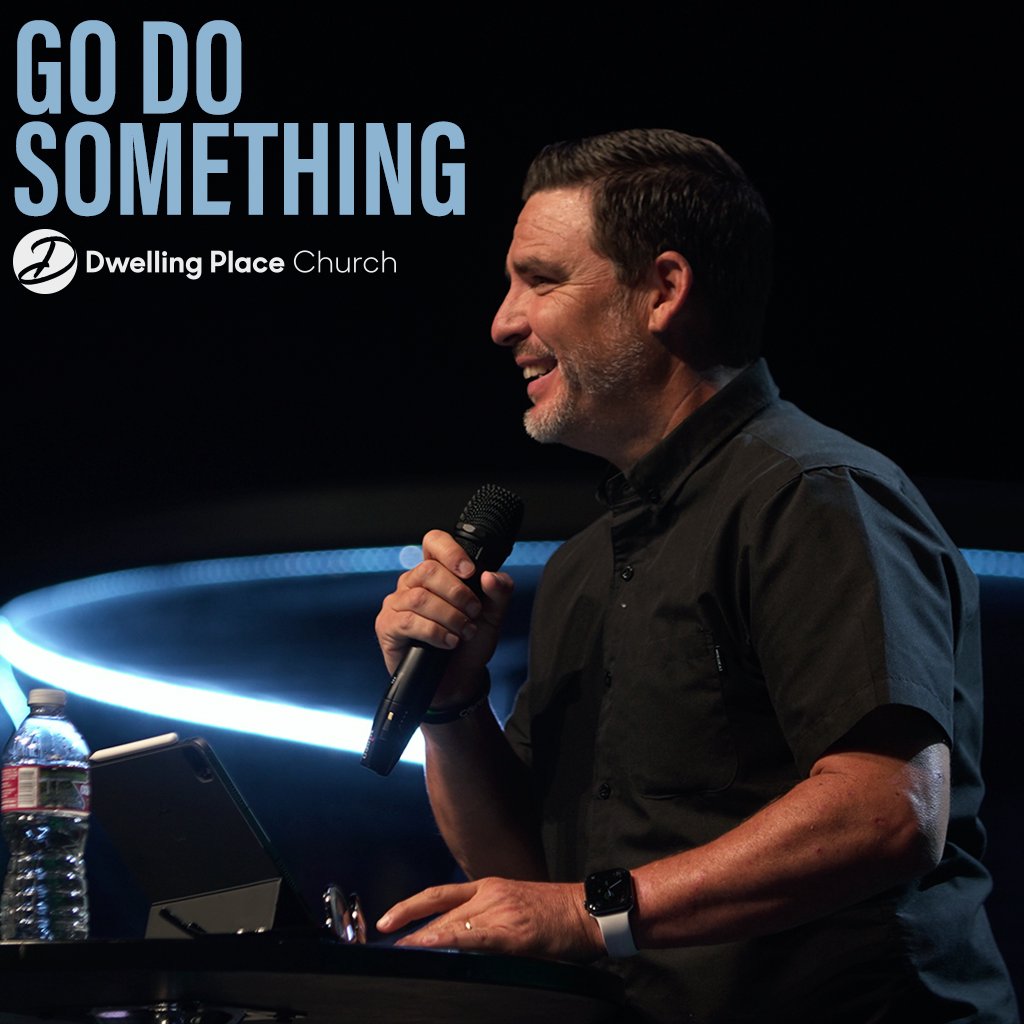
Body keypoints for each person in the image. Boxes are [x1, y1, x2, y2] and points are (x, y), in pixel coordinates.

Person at [372, 129, 1018, 1023]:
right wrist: (451, 702)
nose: (503, 321)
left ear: (663, 291)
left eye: (541, 280)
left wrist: (589, 914)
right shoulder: (584, 566)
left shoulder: (812, 495)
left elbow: (888, 810)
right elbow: (528, 882)